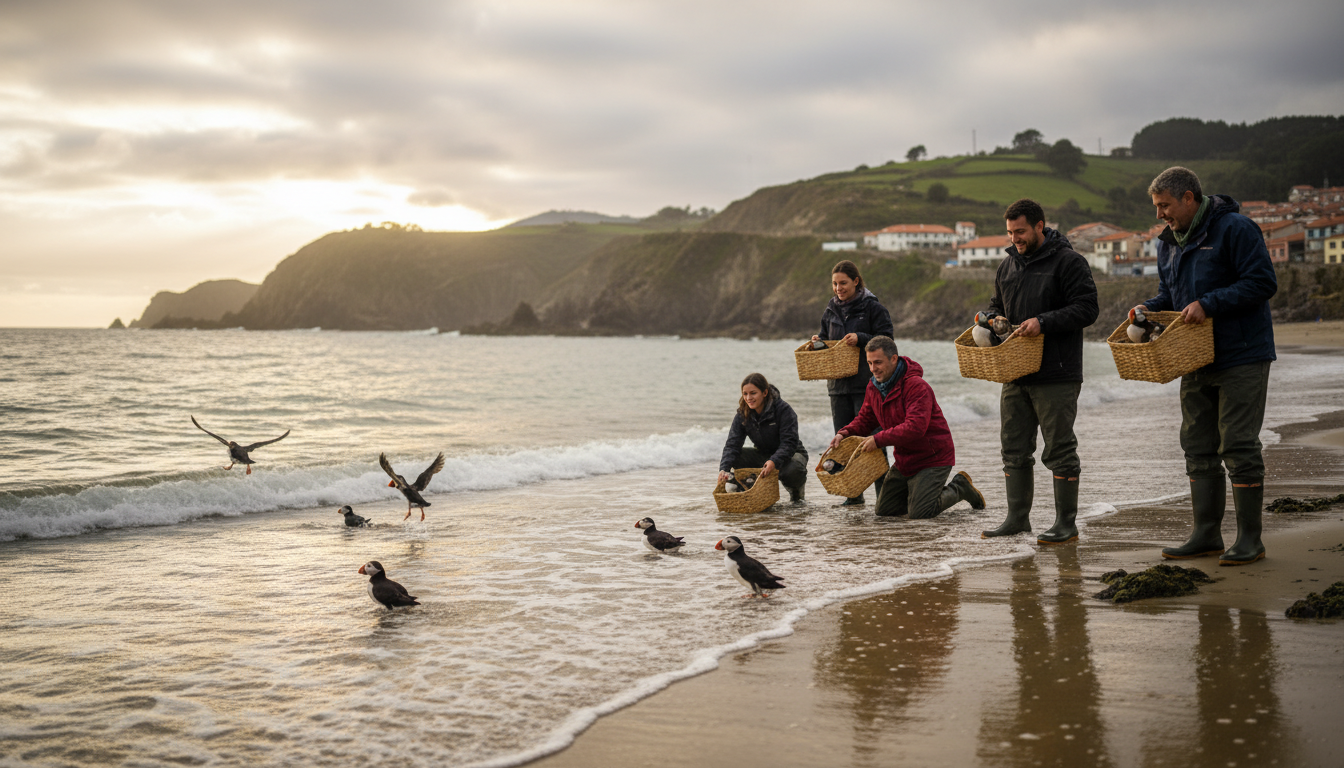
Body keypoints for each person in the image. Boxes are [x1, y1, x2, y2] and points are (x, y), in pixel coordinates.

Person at [1135, 166, 1277, 566]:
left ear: (1189, 198)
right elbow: (1170, 295)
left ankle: (1250, 540)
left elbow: (1262, 282)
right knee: (1197, 446)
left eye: (1165, 205)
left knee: (1239, 445)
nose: (1160, 214)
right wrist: (1148, 308)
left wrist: (1209, 304)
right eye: (1157, 207)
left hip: (1242, 354)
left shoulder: (1236, 229)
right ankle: (1206, 535)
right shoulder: (1168, 243)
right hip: (1193, 357)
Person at [980, 198, 1099, 544]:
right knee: (1013, 448)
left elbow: (1087, 308)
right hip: (1014, 372)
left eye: (1020, 231)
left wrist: (1043, 322)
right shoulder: (1007, 266)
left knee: (1059, 449)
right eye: (1010, 232)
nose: (1014, 238)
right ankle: (1017, 520)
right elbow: (996, 305)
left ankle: (1066, 524)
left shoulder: (1069, 261)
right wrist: (991, 317)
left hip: (1057, 372)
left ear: (1039, 226)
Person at [828, 336, 984, 519]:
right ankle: (918, 493)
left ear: (894, 358)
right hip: (905, 459)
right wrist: (844, 433)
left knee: (920, 513)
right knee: (884, 511)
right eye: (869, 363)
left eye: (878, 362)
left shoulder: (917, 386)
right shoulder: (873, 386)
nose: (873, 369)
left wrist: (878, 439)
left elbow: (915, 427)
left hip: (933, 457)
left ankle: (960, 487)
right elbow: (865, 419)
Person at [812, 259, 894, 506]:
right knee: (844, 443)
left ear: (856, 281)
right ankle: (853, 494)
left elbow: (887, 340)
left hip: (867, 385)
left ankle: (885, 497)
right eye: (835, 284)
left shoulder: (872, 307)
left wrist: (861, 338)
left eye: (843, 283)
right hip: (837, 387)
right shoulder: (830, 310)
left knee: (874, 441)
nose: (838, 288)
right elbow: (826, 341)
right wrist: (818, 342)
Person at [719, 373, 809, 503]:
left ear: (765, 392)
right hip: (763, 454)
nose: (748, 398)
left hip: (792, 454)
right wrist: (724, 469)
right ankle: (751, 491)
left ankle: (796, 493)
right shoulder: (742, 413)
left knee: (792, 470)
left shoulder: (784, 410)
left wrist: (774, 461)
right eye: (745, 394)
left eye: (753, 393)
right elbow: (732, 445)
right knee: (736, 457)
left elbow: (789, 443)